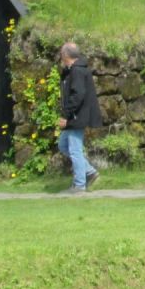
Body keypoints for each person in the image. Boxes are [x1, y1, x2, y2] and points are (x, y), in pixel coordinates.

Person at [56, 41, 104, 194]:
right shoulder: (73, 70)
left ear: (65, 55)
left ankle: (79, 185)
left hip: (77, 116)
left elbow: (78, 95)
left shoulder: (77, 71)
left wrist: (66, 115)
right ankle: (89, 172)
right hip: (75, 115)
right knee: (63, 145)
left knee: (75, 150)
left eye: (61, 55)